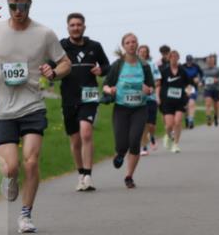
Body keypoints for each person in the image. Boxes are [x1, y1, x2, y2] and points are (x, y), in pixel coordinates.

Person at [0, 0, 70, 232]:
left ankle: (26, 215)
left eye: (23, 5)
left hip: (32, 106)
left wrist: (55, 72)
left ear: (30, 4)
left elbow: (65, 63)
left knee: (31, 161)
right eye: (13, 6)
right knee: (11, 167)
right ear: (8, 5)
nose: (18, 10)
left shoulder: (44, 34)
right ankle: (9, 178)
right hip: (2, 110)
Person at [58, 13, 111, 191]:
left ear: (84, 27)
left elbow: (106, 66)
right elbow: (52, 65)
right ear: (68, 28)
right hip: (68, 98)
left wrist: (100, 69)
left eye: (79, 25)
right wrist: (51, 71)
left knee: (86, 132)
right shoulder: (61, 46)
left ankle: (88, 175)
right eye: (72, 25)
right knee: (75, 140)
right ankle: (80, 173)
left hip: (89, 96)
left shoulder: (94, 46)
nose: (76, 28)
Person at [102, 33, 155, 188]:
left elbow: (151, 86)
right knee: (122, 143)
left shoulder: (144, 65)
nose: (131, 44)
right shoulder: (118, 64)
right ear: (123, 46)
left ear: (137, 44)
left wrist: (148, 89)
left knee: (134, 141)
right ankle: (119, 154)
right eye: (128, 42)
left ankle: (129, 176)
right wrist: (110, 90)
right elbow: (105, 84)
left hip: (140, 108)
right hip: (121, 108)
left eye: (134, 42)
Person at [160, 48, 192, 152]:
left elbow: (188, 85)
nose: (174, 59)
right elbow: (158, 85)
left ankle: (175, 144)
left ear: (178, 58)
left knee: (177, 122)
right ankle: (168, 136)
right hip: (167, 101)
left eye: (176, 57)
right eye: (172, 57)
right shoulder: (164, 72)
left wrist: (188, 94)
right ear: (169, 59)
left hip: (180, 100)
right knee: (169, 125)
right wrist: (158, 98)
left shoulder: (183, 71)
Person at [138, 45, 162, 155]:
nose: (143, 53)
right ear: (138, 52)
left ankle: (152, 136)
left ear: (147, 53)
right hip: (138, 98)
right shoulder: (134, 65)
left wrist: (151, 88)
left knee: (151, 125)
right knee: (143, 124)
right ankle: (144, 147)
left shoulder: (152, 65)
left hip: (151, 97)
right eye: (141, 51)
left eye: (145, 51)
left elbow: (158, 80)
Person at [201, 54, 219, 126]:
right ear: (207, 61)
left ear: (214, 61)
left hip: (216, 89)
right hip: (207, 89)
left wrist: (217, 80)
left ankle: (215, 116)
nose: (209, 62)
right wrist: (201, 82)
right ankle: (208, 117)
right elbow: (202, 78)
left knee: (216, 105)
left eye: (211, 60)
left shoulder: (218, 69)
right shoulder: (204, 69)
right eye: (208, 61)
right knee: (208, 103)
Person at [183, 54, 202, 129]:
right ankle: (187, 118)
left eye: (190, 61)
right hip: (184, 87)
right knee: (185, 106)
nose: (189, 63)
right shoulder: (182, 66)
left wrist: (199, 80)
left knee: (191, 102)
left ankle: (191, 119)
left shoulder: (196, 66)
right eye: (188, 61)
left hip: (193, 87)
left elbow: (202, 74)